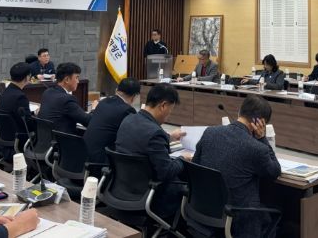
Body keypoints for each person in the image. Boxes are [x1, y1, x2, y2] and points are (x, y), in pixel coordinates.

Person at [192, 95, 281, 237]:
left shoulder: (209, 132)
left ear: (239, 111)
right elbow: (274, 172)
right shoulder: (257, 148)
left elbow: (195, 165)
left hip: (204, 210)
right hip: (238, 220)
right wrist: (262, 138)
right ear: (261, 123)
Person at [115, 84, 187, 221]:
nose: (168, 116)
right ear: (163, 106)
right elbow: (166, 172)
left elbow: (143, 139)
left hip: (122, 187)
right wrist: (182, 158)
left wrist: (169, 137)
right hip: (149, 195)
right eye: (170, 111)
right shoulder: (155, 133)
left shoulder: (128, 119)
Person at [85, 77, 141, 164]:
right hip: (102, 161)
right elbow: (136, 136)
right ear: (134, 96)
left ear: (117, 90)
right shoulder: (127, 110)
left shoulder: (103, 102)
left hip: (85, 156)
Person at [38, 63, 94, 134]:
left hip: (44, 139)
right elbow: (88, 121)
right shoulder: (67, 100)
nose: (78, 81)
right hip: (63, 139)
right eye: (76, 78)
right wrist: (94, 109)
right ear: (67, 79)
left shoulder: (47, 92)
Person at [0, 62, 35, 151]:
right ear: (27, 77)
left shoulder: (4, 92)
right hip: (19, 138)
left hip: (4, 136)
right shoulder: (20, 97)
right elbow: (28, 124)